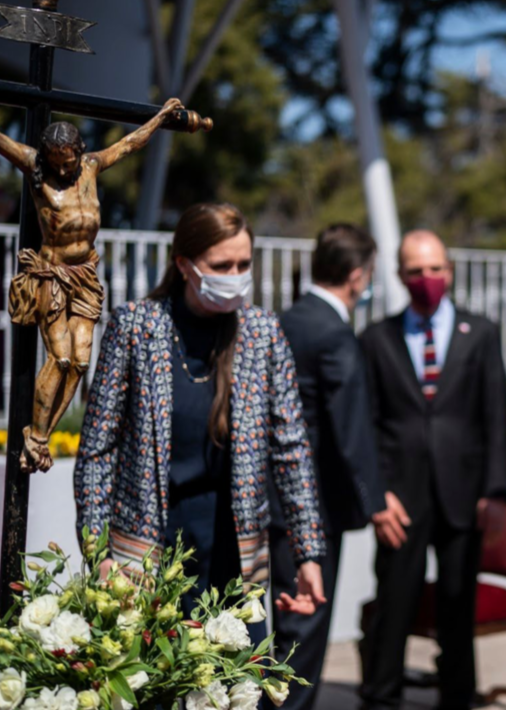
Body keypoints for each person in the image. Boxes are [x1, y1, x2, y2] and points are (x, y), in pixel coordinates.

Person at [74, 202, 327, 627]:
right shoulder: (136, 326)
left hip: (232, 543)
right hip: (147, 542)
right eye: (221, 265)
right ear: (185, 265)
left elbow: (291, 451)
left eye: (243, 264)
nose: (234, 277)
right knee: (150, 676)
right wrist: (99, 553)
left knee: (230, 683)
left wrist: (308, 553)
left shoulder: (262, 333)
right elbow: (98, 449)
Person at [0, 89, 186, 471]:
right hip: (52, 276)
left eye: (69, 160)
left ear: (80, 152)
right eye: (56, 162)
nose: (64, 170)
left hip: (86, 276)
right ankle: (37, 440)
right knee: (59, 357)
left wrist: (160, 118)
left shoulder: (92, 167)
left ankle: (42, 431)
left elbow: (129, 144)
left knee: (80, 362)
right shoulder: (35, 168)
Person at [358, 230, 506, 710]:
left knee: (456, 609)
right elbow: (364, 424)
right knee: (394, 607)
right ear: (401, 276)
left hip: (463, 497)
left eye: (434, 269)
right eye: (415, 271)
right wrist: (376, 494)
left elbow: (495, 414)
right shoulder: (377, 338)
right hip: (399, 500)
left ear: (448, 271)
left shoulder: (480, 332)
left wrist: (497, 492)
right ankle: (381, 699)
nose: (426, 279)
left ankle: (457, 699)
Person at [269, 224, 387, 708]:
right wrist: (376, 501)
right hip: (313, 506)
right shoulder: (335, 335)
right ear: (357, 276)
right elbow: (351, 429)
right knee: (304, 627)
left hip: (269, 500)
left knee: (278, 622)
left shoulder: (284, 320)